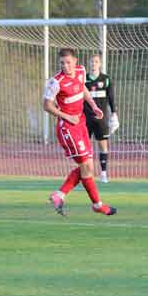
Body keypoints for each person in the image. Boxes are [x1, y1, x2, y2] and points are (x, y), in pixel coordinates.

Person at [44, 48, 116, 217]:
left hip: (81, 123)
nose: (65, 66)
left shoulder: (81, 71)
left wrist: (93, 105)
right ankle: (97, 204)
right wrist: (66, 116)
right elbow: (47, 106)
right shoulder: (55, 82)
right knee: (86, 166)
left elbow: (82, 88)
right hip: (68, 128)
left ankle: (59, 195)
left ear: (75, 62)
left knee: (88, 167)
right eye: (62, 63)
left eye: (68, 62)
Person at [84, 54, 118, 183]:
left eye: (96, 62)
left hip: (101, 119)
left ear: (100, 64)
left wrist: (114, 113)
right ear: (89, 64)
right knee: (85, 149)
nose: (94, 64)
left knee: (103, 146)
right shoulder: (84, 79)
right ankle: (86, 175)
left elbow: (111, 98)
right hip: (86, 118)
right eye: (92, 62)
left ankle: (103, 173)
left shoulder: (106, 79)